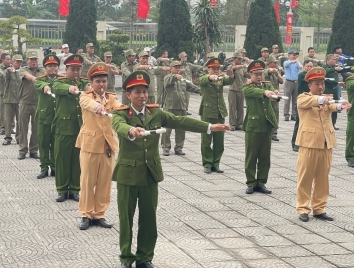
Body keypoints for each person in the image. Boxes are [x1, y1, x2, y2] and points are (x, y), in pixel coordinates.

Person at [111, 70, 229, 268]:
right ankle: (126, 257)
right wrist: (131, 130)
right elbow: (119, 126)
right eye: (137, 92)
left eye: (144, 92)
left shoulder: (155, 112)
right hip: (127, 175)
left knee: (149, 219)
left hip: (150, 174)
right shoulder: (121, 114)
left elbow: (180, 120)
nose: (142, 96)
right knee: (126, 218)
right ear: (128, 95)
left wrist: (209, 127)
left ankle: (145, 257)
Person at [295, 67, 351, 222]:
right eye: (317, 84)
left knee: (322, 178)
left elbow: (331, 106)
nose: (320, 87)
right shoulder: (303, 98)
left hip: (326, 143)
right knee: (305, 177)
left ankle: (319, 208)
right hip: (309, 144)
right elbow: (307, 102)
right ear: (309, 85)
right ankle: (303, 208)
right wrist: (322, 99)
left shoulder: (326, 98)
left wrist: (340, 105)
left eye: (322, 84)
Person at [76, 63, 120, 230]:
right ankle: (86, 214)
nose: (101, 85)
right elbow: (89, 105)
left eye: (104, 81)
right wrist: (98, 106)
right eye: (98, 81)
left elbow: (119, 108)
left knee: (105, 182)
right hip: (90, 144)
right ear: (91, 83)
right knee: (87, 181)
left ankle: (99, 214)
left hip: (108, 146)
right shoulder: (85, 96)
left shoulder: (112, 98)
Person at [52, 54, 89, 202]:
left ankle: (74, 189)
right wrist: (70, 88)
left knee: (77, 160)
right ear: (66, 69)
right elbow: (58, 88)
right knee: (62, 159)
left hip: (80, 128)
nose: (76, 72)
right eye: (72, 69)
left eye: (78, 69)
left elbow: (90, 87)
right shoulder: (59, 83)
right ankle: (61, 189)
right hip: (63, 128)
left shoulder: (85, 83)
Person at [243, 61, 278, 195]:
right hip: (253, 126)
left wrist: (274, 92)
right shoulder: (247, 87)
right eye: (256, 74)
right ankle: (251, 182)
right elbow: (257, 92)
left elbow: (271, 90)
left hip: (266, 124)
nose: (259, 77)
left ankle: (261, 182)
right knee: (251, 156)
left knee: (265, 156)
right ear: (250, 74)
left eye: (260, 74)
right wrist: (266, 92)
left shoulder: (266, 84)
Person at [199, 58, 234, 173]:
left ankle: (216, 163)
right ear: (208, 69)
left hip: (220, 112)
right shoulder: (204, 78)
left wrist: (231, 75)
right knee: (206, 140)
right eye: (213, 69)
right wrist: (210, 77)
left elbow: (229, 81)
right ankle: (207, 163)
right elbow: (202, 80)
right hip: (208, 112)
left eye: (218, 69)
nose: (216, 71)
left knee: (219, 141)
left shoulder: (220, 79)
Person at [161, 60, 201, 156]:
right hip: (170, 107)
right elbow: (169, 80)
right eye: (176, 67)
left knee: (181, 129)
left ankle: (179, 147)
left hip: (181, 107)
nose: (178, 69)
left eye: (179, 67)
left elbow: (192, 87)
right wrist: (175, 77)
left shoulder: (183, 80)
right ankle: (166, 148)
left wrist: (203, 92)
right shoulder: (168, 77)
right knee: (167, 129)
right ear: (171, 69)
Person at [34, 54, 61, 179]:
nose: (53, 68)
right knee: (44, 143)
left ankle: (55, 167)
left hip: (58, 118)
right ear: (45, 68)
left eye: (55, 66)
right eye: (50, 66)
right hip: (44, 117)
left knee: (56, 144)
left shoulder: (62, 79)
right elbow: (38, 85)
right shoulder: (41, 79)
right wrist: (45, 86)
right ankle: (44, 167)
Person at [17, 51, 43, 160]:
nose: (33, 61)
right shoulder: (23, 70)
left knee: (36, 127)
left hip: (38, 102)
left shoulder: (42, 71)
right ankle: (22, 150)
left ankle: (34, 150)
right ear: (27, 60)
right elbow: (27, 76)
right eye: (31, 59)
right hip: (25, 102)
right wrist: (35, 79)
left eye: (35, 59)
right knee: (23, 127)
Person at [291, 60, 313, 152]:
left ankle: (304, 142)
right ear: (304, 66)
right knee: (299, 123)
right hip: (301, 101)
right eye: (308, 66)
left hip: (310, 100)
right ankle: (294, 143)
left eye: (311, 67)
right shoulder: (301, 75)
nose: (309, 68)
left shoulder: (312, 76)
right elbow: (308, 79)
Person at [0, 54, 23, 146]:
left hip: (19, 100)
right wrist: (10, 71)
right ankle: (8, 137)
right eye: (17, 61)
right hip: (9, 99)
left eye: (20, 62)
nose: (19, 63)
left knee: (20, 120)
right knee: (8, 120)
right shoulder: (8, 70)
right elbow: (6, 75)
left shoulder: (22, 72)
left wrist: (16, 72)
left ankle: (19, 137)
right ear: (13, 62)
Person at [263, 56, 284, 141]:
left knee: (275, 116)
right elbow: (266, 72)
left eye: (276, 63)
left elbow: (282, 81)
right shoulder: (264, 71)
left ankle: (274, 133)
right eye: (274, 62)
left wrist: (277, 74)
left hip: (275, 98)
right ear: (269, 63)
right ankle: (266, 132)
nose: (276, 64)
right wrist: (270, 70)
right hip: (267, 97)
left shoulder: (277, 71)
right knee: (266, 115)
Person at [228, 52, 249, 131]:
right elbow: (231, 70)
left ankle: (239, 124)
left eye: (241, 59)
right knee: (232, 108)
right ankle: (232, 124)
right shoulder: (231, 66)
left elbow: (245, 75)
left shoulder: (242, 68)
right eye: (239, 59)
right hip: (233, 89)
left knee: (240, 108)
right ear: (234, 59)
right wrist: (242, 65)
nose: (240, 60)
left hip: (241, 89)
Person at [323, 54, 344, 129]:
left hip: (335, 89)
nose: (335, 61)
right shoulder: (325, 67)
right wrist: (335, 69)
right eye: (333, 59)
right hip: (328, 89)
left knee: (335, 107)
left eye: (336, 60)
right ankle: (326, 123)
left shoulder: (334, 67)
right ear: (328, 60)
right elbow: (326, 72)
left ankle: (333, 123)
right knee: (327, 107)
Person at [283, 50, 302, 121]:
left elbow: (301, 67)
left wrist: (299, 65)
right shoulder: (286, 62)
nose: (294, 56)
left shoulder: (297, 62)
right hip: (288, 82)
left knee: (295, 100)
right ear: (289, 55)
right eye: (293, 55)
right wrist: (292, 62)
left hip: (296, 82)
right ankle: (286, 114)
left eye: (295, 55)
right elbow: (286, 65)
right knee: (287, 99)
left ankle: (294, 114)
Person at [0, 53, 12, 135]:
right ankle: (2, 127)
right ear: (2, 60)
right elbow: (1, 74)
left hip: (11, 93)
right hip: (2, 92)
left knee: (11, 111)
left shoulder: (12, 67)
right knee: (2, 111)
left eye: (10, 59)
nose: (9, 61)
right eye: (7, 59)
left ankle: (11, 127)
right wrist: (8, 72)